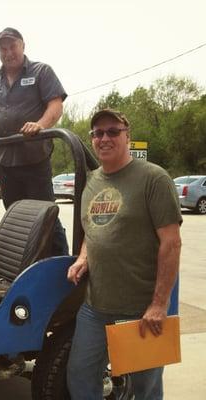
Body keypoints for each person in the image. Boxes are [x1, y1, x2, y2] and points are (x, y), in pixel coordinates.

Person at [66, 109, 182, 399]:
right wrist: (83, 258)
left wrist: (158, 304)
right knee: (79, 377)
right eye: (97, 133)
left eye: (112, 131)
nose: (104, 138)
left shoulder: (154, 178)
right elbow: (92, 231)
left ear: (127, 136)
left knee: (145, 390)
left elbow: (171, 243)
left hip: (140, 311)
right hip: (96, 307)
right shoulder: (92, 181)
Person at [0, 27, 69, 255]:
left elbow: (56, 104)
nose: (8, 52)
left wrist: (40, 125)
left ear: (23, 45)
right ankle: (25, 263)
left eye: (12, 46)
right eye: (3, 48)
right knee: (16, 219)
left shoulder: (41, 71)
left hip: (34, 159)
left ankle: (63, 266)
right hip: (5, 161)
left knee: (46, 215)